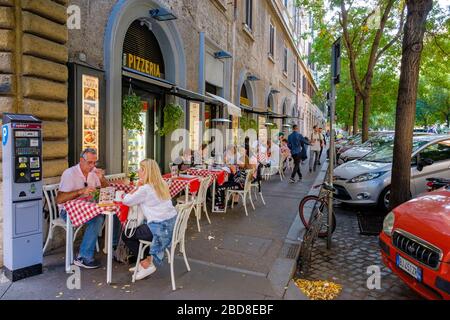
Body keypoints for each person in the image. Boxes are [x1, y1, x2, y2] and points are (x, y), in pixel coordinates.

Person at [121, 159, 178, 281]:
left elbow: (126, 200)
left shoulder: (145, 189)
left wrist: (136, 187)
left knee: (127, 235)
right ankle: (144, 261)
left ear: (147, 172)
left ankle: (146, 265)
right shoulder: (162, 183)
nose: (138, 171)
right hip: (171, 226)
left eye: (141, 169)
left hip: (159, 230)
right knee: (142, 228)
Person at [56, 148, 110, 269]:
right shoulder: (70, 173)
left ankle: (113, 247)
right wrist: (81, 191)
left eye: (95, 162)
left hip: (88, 208)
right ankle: (83, 257)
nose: (93, 166)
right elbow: (59, 199)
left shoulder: (93, 172)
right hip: (68, 211)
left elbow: (107, 190)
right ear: (81, 160)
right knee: (98, 218)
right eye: (90, 162)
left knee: (113, 214)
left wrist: (101, 178)